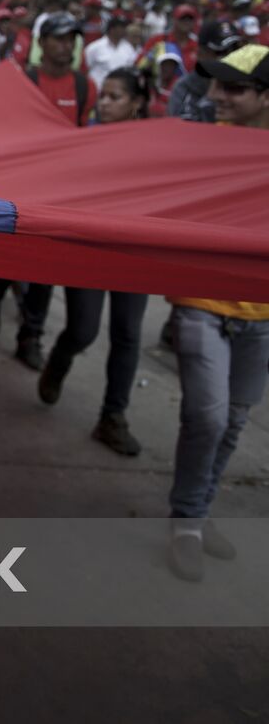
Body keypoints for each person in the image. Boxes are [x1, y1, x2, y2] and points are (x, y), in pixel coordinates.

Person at [164, 44, 269, 582]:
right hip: (200, 303)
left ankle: (198, 515)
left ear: (265, 98)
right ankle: (185, 522)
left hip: (261, 315)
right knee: (207, 414)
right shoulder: (201, 146)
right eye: (215, 84)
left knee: (232, 422)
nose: (216, 96)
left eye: (233, 89)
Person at [35, 67, 152, 456]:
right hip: (90, 250)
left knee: (127, 334)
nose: (104, 102)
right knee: (83, 330)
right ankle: (60, 358)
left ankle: (112, 417)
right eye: (102, 95)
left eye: (115, 97)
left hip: (136, 253)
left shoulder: (158, 145)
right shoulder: (85, 141)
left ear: (137, 104)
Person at [0, 12, 92, 371]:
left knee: (45, 266)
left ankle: (31, 335)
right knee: (15, 258)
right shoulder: (24, 81)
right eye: (59, 38)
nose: (65, 46)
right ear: (41, 42)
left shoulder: (84, 87)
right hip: (23, 186)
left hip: (62, 190)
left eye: (71, 39)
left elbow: (85, 135)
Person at [167, 20, 243, 123]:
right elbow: (183, 132)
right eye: (222, 52)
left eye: (234, 49)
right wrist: (212, 98)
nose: (230, 57)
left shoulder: (246, 83)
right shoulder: (185, 88)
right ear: (200, 54)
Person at [82, 14, 136, 89]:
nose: (124, 30)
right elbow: (85, 68)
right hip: (98, 90)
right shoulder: (95, 47)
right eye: (121, 27)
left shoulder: (129, 48)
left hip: (120, 91)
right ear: (112, 29)